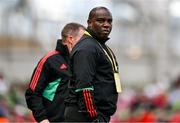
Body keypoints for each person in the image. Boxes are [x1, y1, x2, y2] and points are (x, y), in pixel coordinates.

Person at [64, 6, 122, 122]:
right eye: (100, 21)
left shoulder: (98, 45)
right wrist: (93, 117)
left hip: (96, 115)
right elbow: (84, 86)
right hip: (86, 117)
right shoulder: (87, 48)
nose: (106, 24)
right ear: (89, 23)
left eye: (109, 21)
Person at [25, 23, 85, 123]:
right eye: (83, 39)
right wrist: (42, 119)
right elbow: (32, 94)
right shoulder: (49, 60)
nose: (86, 43)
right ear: (71, 39)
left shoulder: (83, 61)